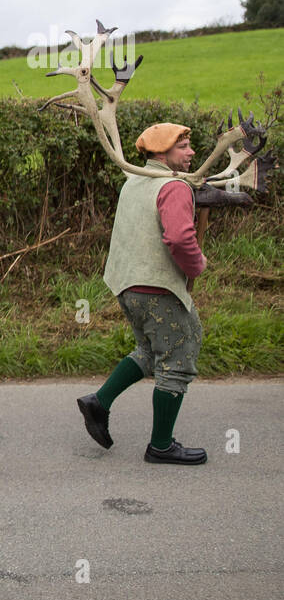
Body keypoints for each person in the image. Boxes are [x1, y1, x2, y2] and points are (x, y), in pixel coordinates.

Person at [77, 123, 207, 464]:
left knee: (149, 349)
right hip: (158, 287)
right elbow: (179, 238)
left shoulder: (134, 181)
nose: (191, 152)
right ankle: (161, 446)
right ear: (162, 154)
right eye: (183, 147)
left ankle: (98, 402)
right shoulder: (173, 186)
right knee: (180, 354)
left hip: (127, 285)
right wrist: (197, 265)